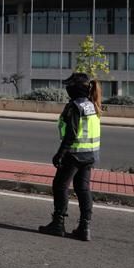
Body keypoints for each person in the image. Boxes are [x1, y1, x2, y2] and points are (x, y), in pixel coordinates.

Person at [38, 72, 101, 242]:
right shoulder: (92, 105)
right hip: (90, 155)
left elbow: (71, 135)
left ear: (75, 88)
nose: (67, 88)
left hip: (74, 154)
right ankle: (84, 228)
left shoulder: (74, 106)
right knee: (83, 189)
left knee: (59, 185)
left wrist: (60, 154)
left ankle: (58, 224)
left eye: (69, 86)